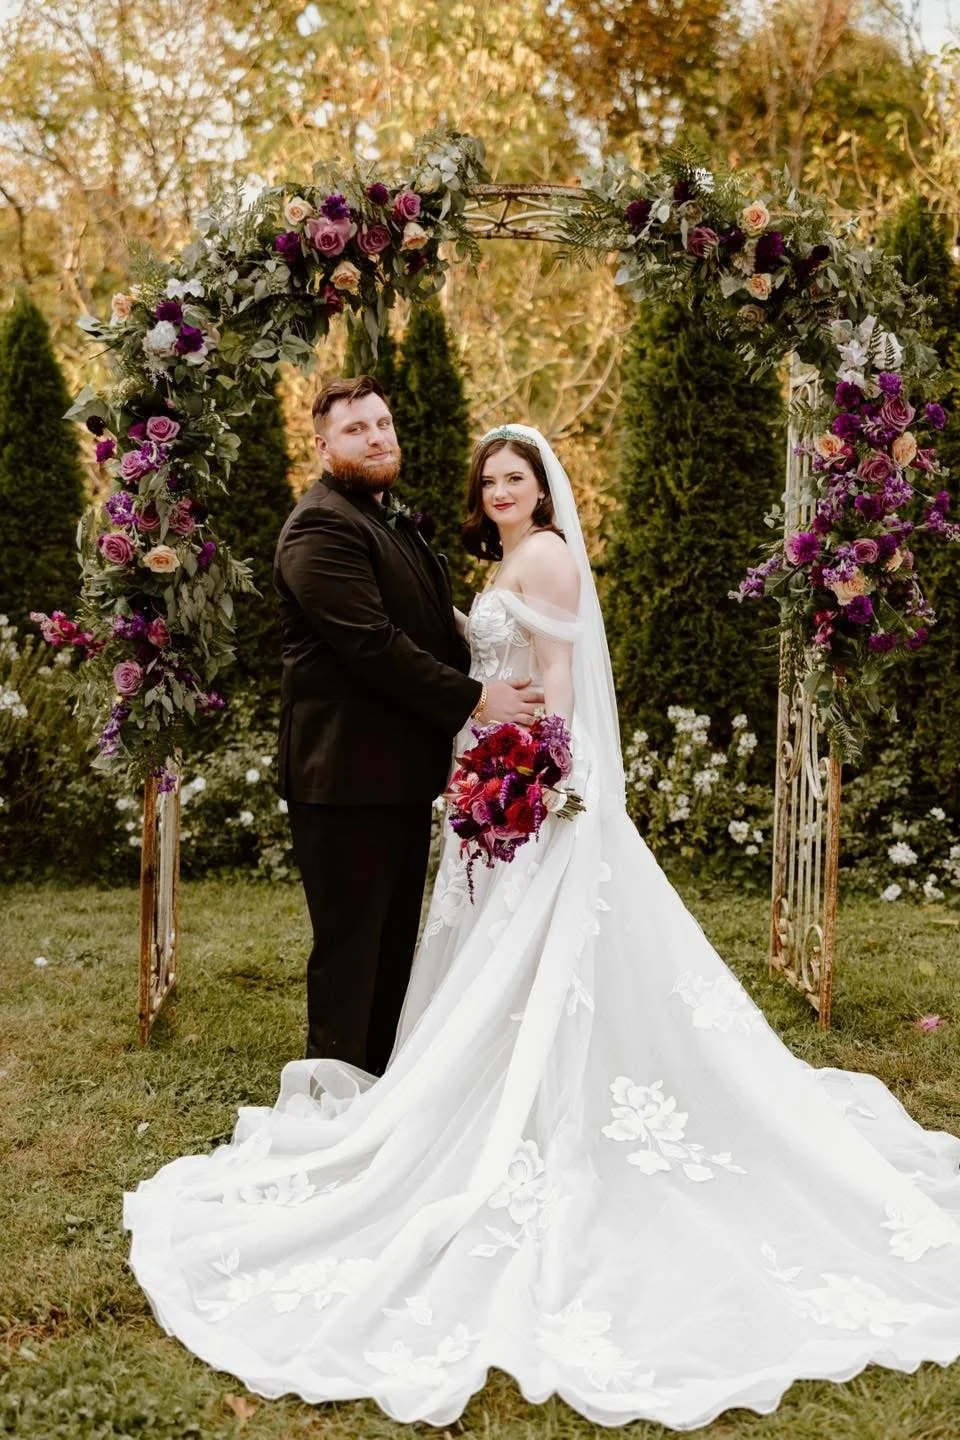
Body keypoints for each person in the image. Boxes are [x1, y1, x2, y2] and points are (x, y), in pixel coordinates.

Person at [125, 425, 960, 1432]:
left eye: (516, 477)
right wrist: (487, 756)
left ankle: (536, 1105)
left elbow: (559, 680)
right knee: (486, 956)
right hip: (494, 773)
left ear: (544, 488)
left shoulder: (550, 558)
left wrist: (540, 769)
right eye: (491, 480)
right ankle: (459, 1086)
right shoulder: (496, 555)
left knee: (540, 950)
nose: (502, 490)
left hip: (540, 784)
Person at [272, 377, 543, 1071]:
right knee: (351, 948)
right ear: (323, 443)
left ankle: (378, 1081)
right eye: (358, 428)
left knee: (392, 944)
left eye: (383, 423)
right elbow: (370, 643)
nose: (377, 437)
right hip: (343, 776)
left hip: (391, 772)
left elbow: (421, 624)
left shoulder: (384, 516)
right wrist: (477, 698)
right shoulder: (321, 525)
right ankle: (331, 1093)